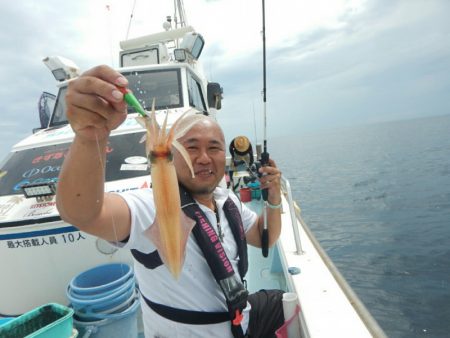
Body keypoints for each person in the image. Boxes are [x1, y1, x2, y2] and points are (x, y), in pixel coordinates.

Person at [56, 65, 285, 338]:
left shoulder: (227, 200)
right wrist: (90, 135)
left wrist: (273, 199)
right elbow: (83, 214)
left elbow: (264, 238)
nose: (202, 158)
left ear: (224, 155)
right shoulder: (148, 207)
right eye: (190, 147)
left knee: (285, 303)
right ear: (173, 156)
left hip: (241, 315)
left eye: (213, 147)